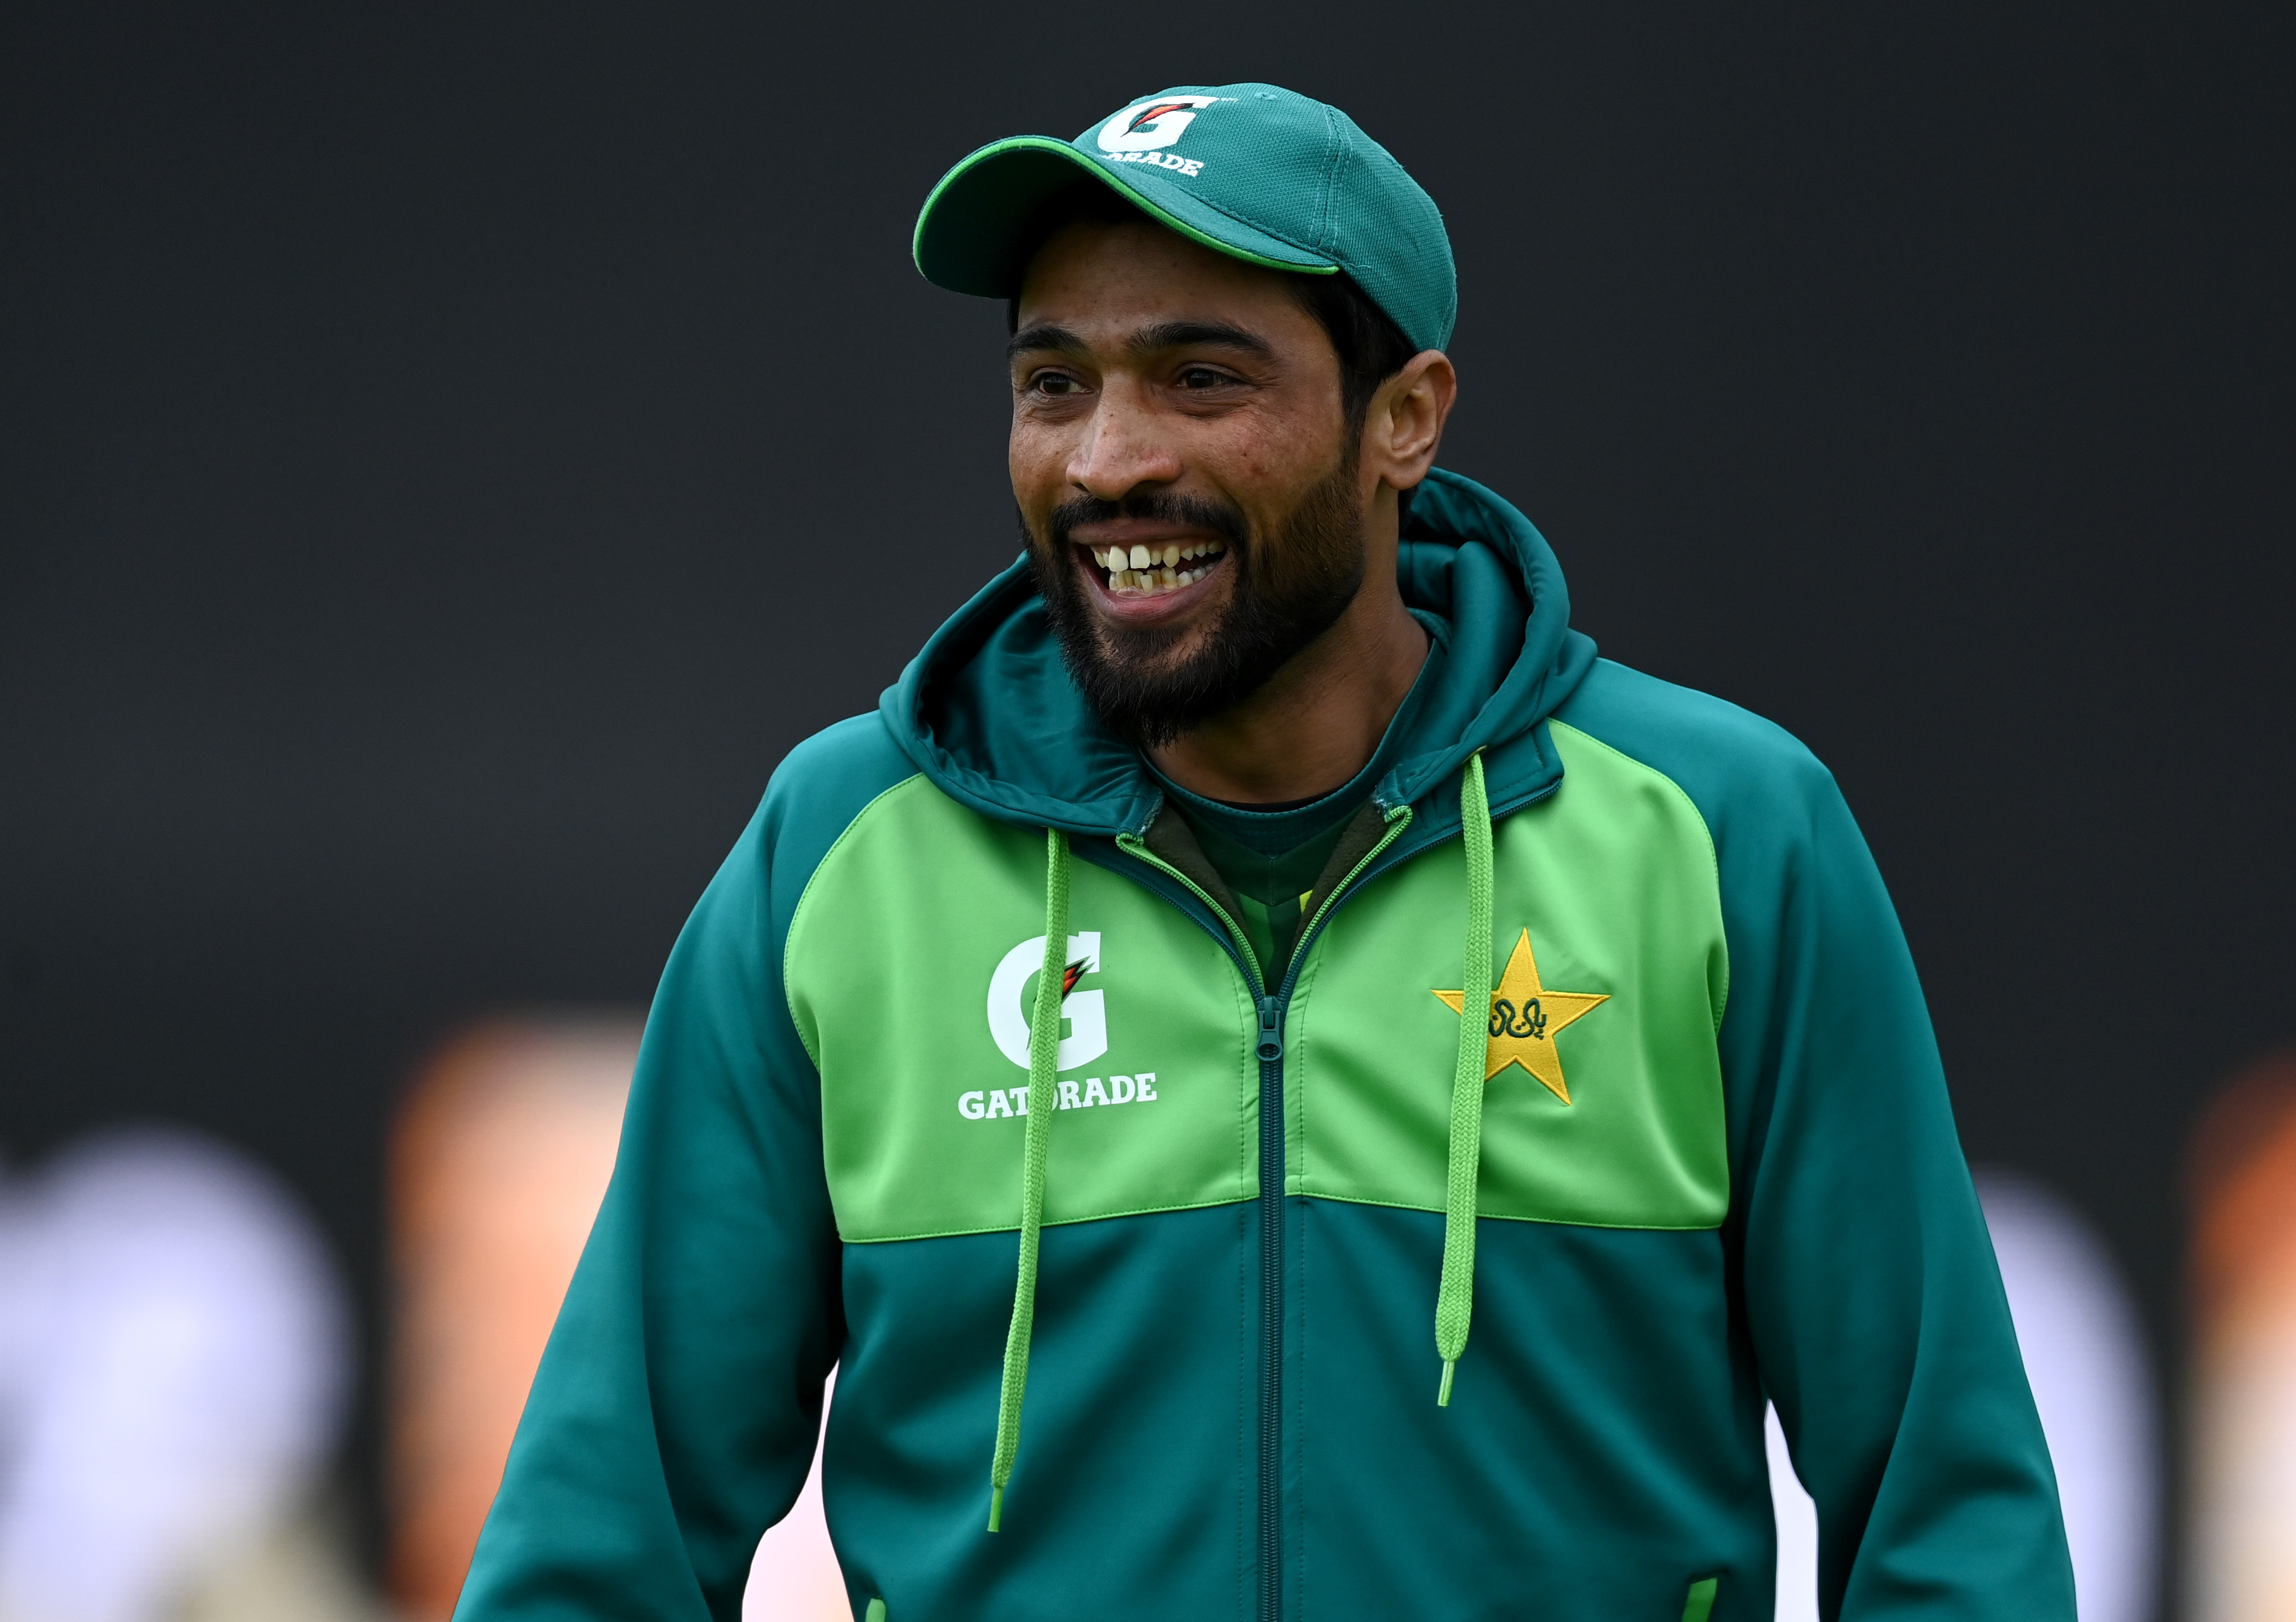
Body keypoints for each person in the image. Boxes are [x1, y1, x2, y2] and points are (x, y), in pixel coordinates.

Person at [454, 83, 2073, 1622]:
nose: (1107, 461)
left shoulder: (1717, 831)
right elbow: (601, 1544)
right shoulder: (843, 851)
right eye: (1053, 382)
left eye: (1201, 379)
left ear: (1404, 420)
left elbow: (1946, 1519)